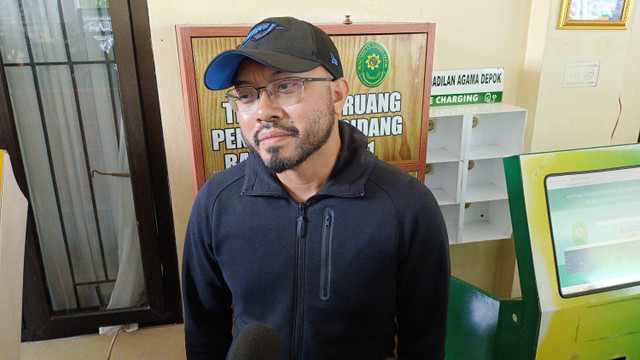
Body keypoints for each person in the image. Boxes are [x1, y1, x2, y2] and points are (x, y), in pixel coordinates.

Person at [182, 16, 450, 360]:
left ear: (337, 96)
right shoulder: (216, 202)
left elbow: (424, 342)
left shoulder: (408, 206)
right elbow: (205, 334)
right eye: (246, 94)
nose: (264, 110)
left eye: (286, 85)